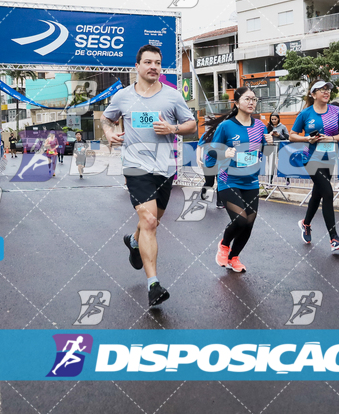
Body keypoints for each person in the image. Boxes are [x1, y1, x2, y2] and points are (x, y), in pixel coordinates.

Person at [102, 45, 197, 307]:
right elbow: (106, 119)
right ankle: (153, 284)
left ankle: (133, 241)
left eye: (157, 63)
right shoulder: (123, 97)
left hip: (164, 167)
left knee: (154, 220)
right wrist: (109, 133)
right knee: (151, 220)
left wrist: (173, 128)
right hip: (135, 166)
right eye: (148, 62)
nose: (153, 67)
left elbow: (192, 124)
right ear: (137, 66)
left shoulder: (172, 96)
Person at [207, 87, 272, 273]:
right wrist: (223, 152)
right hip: (229, 180)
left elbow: (265, 153)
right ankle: (224, 245)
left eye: (254, 99)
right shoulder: (226, 126)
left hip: (251, 181)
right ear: (236, 103)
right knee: (241, 220)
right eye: (247, 99)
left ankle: (234, 257)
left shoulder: (260, 126)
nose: (251, 102)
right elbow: (210, 153)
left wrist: (270, 144)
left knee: (249, 223)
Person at [290, 80, 339, 252]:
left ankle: (305, 223)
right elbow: (292, 135)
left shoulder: (336, 111)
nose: (326, 92)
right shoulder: (305, 114)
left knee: (318, 194)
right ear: (313, 94)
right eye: (322, 90)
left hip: (329, 156)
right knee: (328, 193)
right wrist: (307, 139)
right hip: (310, 157)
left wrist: (330, 139)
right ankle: (334, 238)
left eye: (328, 89)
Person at [198, 116, 224, 209]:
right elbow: (199, 146)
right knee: (210, 182)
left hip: (221, 162)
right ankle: (204, 191)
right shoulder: (207, 135)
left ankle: (220, 202)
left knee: (221, 182)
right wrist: (198, 158)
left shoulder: (223, 135)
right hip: (209, 163)